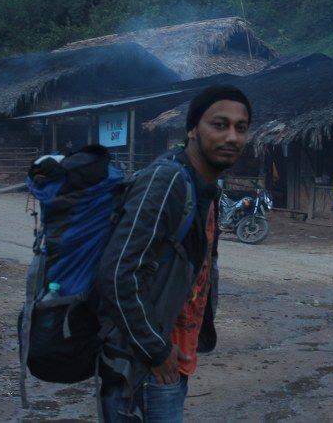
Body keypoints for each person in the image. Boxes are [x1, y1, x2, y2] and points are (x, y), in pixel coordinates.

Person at [97, 85, 251, 422]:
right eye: (219, 124)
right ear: (193, 129)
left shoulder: (202, 187)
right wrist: (156, 349)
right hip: (143, 365)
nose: (232, 137)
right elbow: (117, 272)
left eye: (241, 128)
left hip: (168, 359)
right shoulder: (166, 181)